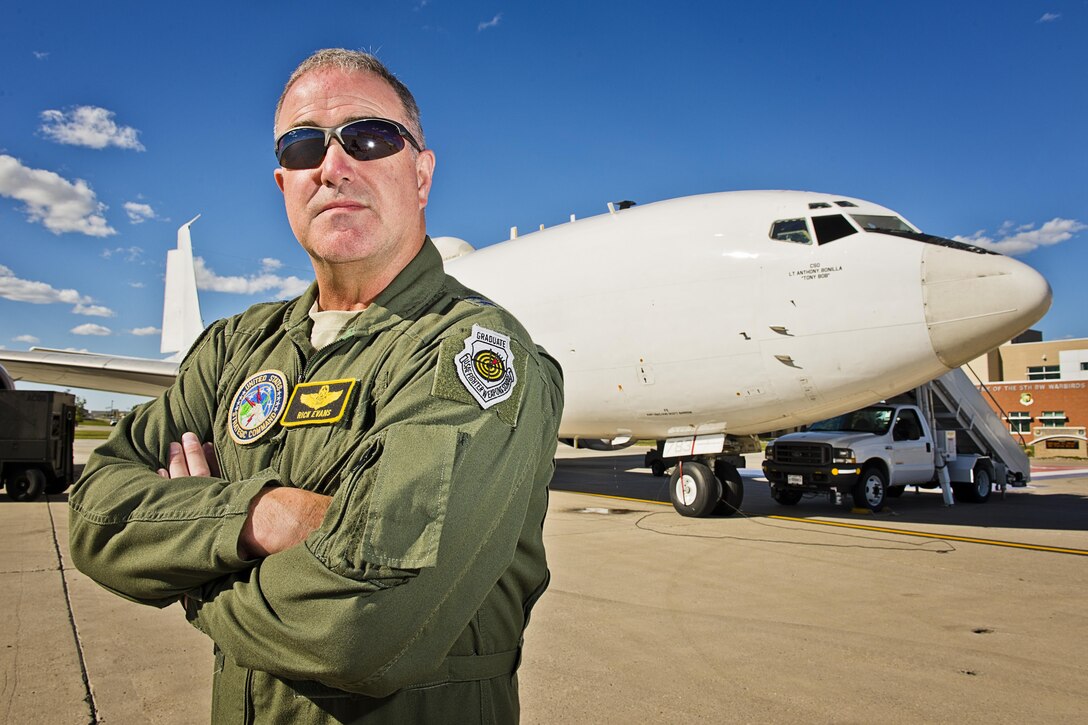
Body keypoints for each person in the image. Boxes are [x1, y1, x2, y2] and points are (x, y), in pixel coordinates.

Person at [69, 48, 564, 723]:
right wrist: (260, 515)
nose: (333, 166)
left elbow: (364, 630)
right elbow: (96, 513)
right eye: (304, 147)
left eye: (370, 136)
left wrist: (197, 569)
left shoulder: (470, 351)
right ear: (284, 185)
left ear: (421, 174)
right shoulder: (232, 348)